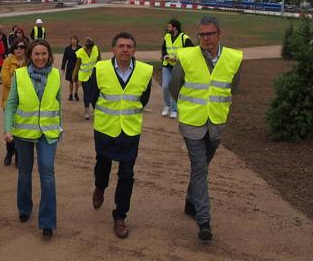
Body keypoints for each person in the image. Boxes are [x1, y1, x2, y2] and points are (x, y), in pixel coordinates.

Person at [169, 16, 242, 242]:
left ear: (219, 34)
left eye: (210, 34)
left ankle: (191, 201)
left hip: (217, 124)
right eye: (202, 34)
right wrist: (188, 106)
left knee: (201, 166)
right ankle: (204, 221)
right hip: (192, 123)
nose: (206, 38)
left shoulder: (233, 58)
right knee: (200, 167)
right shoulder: (187, 56)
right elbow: (174, 88)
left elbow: (233, 88)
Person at [90, 32, 152, 239]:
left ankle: (120, 216)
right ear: (113, 49)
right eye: (121, 46)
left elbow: (144, 99)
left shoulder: (145, 71)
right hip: (105, 128)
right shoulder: (99, 69)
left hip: (130, 130)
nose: (125, 49)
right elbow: (91, 95)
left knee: (127, 174)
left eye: (129, 46)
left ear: (134, 50)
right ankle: (100, 187)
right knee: (103, 165)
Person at [3, 39, 62, 238]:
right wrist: (7, 129)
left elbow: (58, 102)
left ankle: (47, 221)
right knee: (25, 172)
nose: (40, 57)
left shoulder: (55, 74)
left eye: (44, 53)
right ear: (30, 56)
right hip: (23, 133)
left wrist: (58, 127)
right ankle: (24, 208)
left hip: (48, 132)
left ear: (49, 55)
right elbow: (11, 104)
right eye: (36, 54)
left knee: (47, 172)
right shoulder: (19, 75)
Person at [0, 37, 28, 166]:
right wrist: (22, 84)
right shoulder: (7, 61)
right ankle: (9, 152)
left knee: (21, 129)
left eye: (22, 47)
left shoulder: (29, 62)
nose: (19, 49)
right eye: (17, 47)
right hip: (9, 101)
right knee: (9, 128)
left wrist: (16, 81)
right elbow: (5, 79)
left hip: (24, 102)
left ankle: (18, 154)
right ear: (13, 48)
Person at [161, 19, 193, 119]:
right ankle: (167, 105)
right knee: (165, 86)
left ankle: (174, 110)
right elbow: (163, 48)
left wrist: (178, 59)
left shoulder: (185, 38)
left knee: (175, 88)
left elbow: (191, 52)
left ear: (175, 27)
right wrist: (165, 55)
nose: (167, 28)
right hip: (167, 65)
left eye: (169, 27)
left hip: (178, 67)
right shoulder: (167, 36)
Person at [73, 37, 100, 120]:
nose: (88, 49)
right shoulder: (80, 52)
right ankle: (87, 112)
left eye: (90, 47)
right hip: (84, 77)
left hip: (94, 76)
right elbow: (77, 66)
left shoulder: (96, 49)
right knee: (87, 94)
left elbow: (99, 61)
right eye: (87, 47)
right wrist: (74, 77)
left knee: (95, 94)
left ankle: (96, 111)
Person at [61, 36, 82, 101]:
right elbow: (64, 59)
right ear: (70, 41)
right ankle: (70, 94)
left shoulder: (80, 48)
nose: (73, 41)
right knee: (71, 81)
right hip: (70, 66)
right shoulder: (67, 49)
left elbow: (83, 58)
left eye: (75, 39)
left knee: (77, 81)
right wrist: (63, 67)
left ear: (77, 40)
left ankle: (76, 93)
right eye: (72, 40)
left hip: (78, 66)